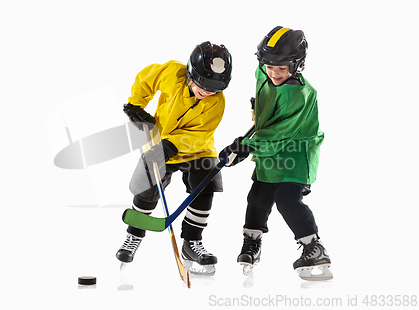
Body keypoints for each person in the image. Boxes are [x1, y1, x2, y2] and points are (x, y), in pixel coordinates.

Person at [219, 27, 332, 280]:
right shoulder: (264, 73)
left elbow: (281, 132)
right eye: (269, 66)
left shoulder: (300, 94)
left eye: (282, 69)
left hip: (295, 153)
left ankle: (314, 247)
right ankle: (251, 244)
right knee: (258, 196)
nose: (274, 73)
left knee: (287, 199)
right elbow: (266, 110)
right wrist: (247, 139)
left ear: (297, 65)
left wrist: (247, 146)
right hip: (268, 152)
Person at [116, 42, 232, 275]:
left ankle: (192, 242)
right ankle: (133, 236)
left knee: (206, 183)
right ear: (190, 73)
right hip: (161, 143)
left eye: (215, 88)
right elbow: (146, 79)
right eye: (202, 84)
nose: (207, 91)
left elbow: (201, 134)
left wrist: (174, 145)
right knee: (147, 187)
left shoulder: (216, 102)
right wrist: (136, 104)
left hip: (197, 148)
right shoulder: (172, 73)